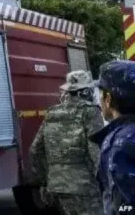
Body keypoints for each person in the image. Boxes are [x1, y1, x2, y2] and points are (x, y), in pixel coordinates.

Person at [30, 70, 104, 214]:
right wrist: (107, 183)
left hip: (57, 187)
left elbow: (35, 149)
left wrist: (42, 182)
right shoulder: (91, 112)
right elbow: (97, 151)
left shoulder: (52, 113)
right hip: (85, 187)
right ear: (86, 92)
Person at [90, 60, 135, 214]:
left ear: (108, 99)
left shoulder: (119, 143)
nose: (99, 100)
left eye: (100, 94)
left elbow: (125, 207)